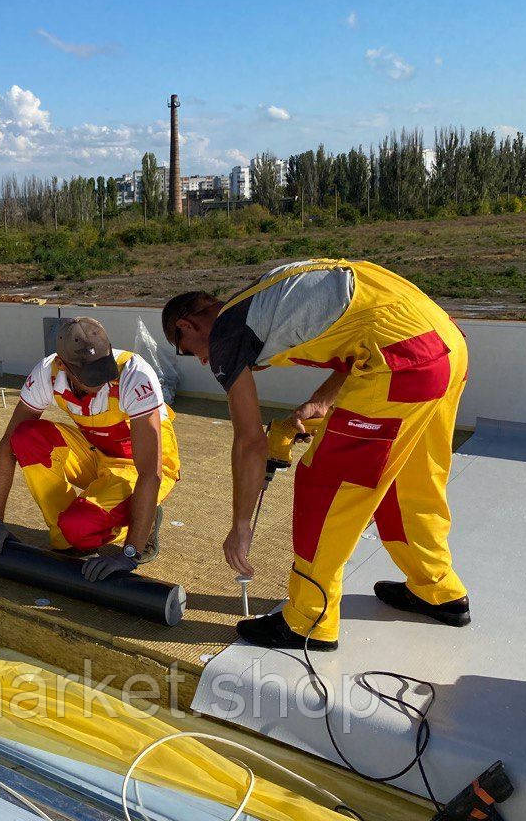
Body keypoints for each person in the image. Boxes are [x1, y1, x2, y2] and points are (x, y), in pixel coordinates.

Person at [163, 258, 470, 651]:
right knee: (410, 484)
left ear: (186, 326)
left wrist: (241, 526)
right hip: (445, 348)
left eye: (190, 351)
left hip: (401, 365)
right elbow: (362, 329)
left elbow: (250, 441)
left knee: (326, 489)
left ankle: (309, 619)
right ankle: (437, 589)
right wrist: (322, 401)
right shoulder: (267, 294)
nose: (203, 361)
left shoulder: (227, 332)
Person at [0, 317, 178, 581]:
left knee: (82, 528)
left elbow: (150, 472)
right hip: (96, 455)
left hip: (139, 466)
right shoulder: (48, 372)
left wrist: (130, 552)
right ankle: (69, 532)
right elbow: (7, 444)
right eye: (88, 376)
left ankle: (143, 516)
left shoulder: (135, 374)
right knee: (25, 436)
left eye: (102, 370)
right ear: (63, 365)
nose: (98, 382)